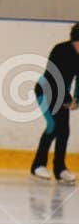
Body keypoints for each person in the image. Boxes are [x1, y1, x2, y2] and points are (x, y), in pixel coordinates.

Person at [32, 24, 79, 183]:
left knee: (64, 130)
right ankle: (38, 165)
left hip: (62, 95)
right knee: (53, 126)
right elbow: (53, 78)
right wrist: (67, 99)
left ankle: (60, 170)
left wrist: (76, 100)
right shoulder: (60, 50)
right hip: (46, 91)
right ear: (74, 41)